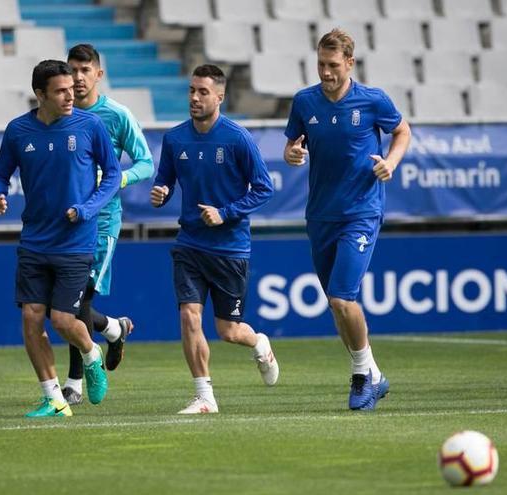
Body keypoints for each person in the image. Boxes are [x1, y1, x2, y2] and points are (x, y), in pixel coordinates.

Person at [283, 29, 411, 411]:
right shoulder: (305, 101)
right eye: (321, 64)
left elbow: (402, 132)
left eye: (333, 65)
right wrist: (292, 153)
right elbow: (293, 142)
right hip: (321, 214)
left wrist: (391, 162)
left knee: (342, 296)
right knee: (336, 304)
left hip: (361, 211)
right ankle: (374, 374)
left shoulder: (373, 100)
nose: (326, 72)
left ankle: (360, 378)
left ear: (350, 63)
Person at [0, 60, 121, 418]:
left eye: (71, 89)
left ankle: (91, 354)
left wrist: (89, 208)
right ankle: (54, 399)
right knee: (32, 320)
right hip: (34, 241)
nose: (71, 95)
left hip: (76, 241)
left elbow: (112, 175)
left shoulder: (90, 125)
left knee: (63, 320)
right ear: (40, 94)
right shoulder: (18, 131)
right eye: (61, 91)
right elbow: (0, 174)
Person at [151, 65, 279, 415]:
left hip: (230, 248)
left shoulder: (237, 138)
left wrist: (226, 212)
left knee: (229, 330)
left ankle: (259, 342)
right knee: (190, 316)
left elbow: (264, 188)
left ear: (219, 97)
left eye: (202, 92)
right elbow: (165, 180)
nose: (194, 97)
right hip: (190, 244)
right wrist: (161, 192)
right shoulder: (175, 138)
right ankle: (205, 396)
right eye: (192, 90)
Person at [60, 43, 155, 405]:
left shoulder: (116, 115)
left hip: (101, 223)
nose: (79, 78)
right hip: (67, 221)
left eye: (86, 71)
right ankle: (115, 329)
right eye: (73, 71)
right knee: (69, 306)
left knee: (76, 302)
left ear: (99, 74)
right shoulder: (60, 115)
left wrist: (117, 180)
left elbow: (145, 162)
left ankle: (74, 384)